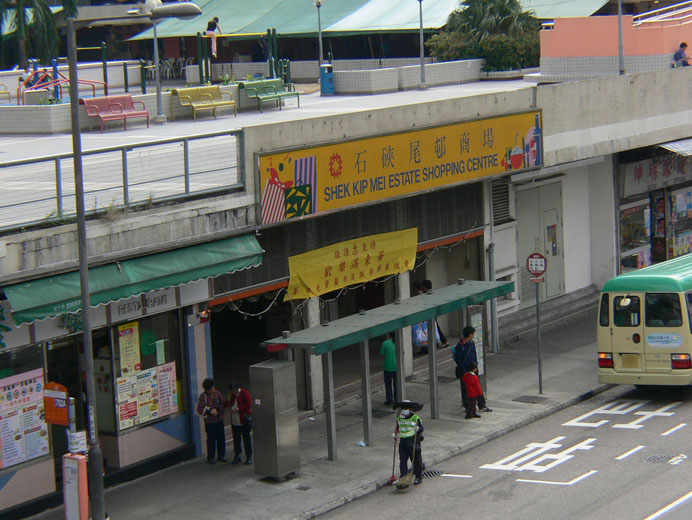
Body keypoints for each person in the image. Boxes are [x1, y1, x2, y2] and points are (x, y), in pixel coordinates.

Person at [393, 400, 424, 488]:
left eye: (406, 408)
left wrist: (418, 429)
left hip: (412, 441)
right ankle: (404, 479)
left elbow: (421, 429)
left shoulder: (415, 418)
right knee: (403, 461)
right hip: (403, 442)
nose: (404, 410)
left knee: (415, 460)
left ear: (410, 409)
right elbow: (397, 427)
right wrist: (395, 434)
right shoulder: (399, 418)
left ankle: (418, 476)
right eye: (403, 408)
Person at [196, 377, 226, 464]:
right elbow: (200, 409)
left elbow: (223, 403)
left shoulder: (217, 394)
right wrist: (210, 411)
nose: (213, 389)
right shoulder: (203, 397)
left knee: (221, 438)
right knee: (211, 440)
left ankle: (221, 455)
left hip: (219, 420)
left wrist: (217, 409)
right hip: (210, 422)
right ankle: (211, 456)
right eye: (212, 387)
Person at [227, 380, 253, 465]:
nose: (232, 393)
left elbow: (249, 404)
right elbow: (229, 403)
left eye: (233, 391)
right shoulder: (233, 396)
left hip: (244, 420)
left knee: (246, 438)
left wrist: (239, 408)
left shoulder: (244, 393)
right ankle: (237, 455)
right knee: (236, 439)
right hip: (235, 421)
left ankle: (248, 456)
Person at [453, 325, 477, 409]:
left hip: (473, 370)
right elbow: (458, 359)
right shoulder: (460, 346)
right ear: (470, 334)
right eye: (473, 333)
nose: (474, 335)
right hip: (465, 371)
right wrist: (464, 370)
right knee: (465, 388)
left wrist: (475, 366)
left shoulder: (471, 343)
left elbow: (474, 355)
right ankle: (467, 406)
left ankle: (473, 405)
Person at [423, 280, 448, 348]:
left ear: (425, 287)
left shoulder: (427, 295)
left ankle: (444, 341)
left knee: (436, 328)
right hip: (434, 313)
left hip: (431, 314)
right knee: (436, 327)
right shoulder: (432, 293)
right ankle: (442, 341)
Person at [380, 332, 398, 406]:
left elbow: (382, 355)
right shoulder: (398, 342)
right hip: (397, 367)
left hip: (387, 367)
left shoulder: (385, 343)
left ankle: (389, 399)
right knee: (397, 384)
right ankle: (397, 400)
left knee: (388, 384)